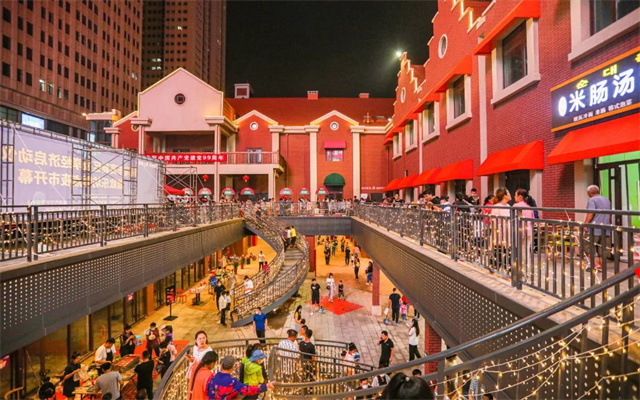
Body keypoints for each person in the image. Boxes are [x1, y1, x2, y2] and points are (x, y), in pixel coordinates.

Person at [207, 355, 274, 400]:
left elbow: (207, 391)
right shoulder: (232, 382)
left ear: (222, 365)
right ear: (232, 368)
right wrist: (266, 386)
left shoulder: (212, 377)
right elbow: (248, 389)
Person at [584, 185, 613, 271]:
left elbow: (590, 213)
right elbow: (610, 214)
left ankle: (595, 265)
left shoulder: (592, 200)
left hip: (594, 228)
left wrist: (585, 224)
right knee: (603, 248)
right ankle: (602, 266)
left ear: (589, 193)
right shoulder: (606, 199)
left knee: (587, 247)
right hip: (606, 228)